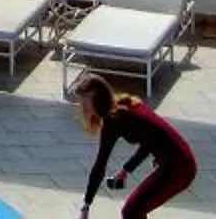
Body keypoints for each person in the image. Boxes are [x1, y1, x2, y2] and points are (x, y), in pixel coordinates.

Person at [75, 72, 196, 217]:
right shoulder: (123, 105)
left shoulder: (117, 118)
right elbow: (150, 141)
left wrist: (86, 207)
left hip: (178, 167)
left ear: (97, 98)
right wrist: (126, 170)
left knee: (131, 211)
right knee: (135, 210)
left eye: (85, 103)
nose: (83, 109)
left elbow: (100, 165)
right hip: (178, 161)